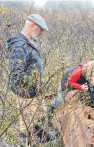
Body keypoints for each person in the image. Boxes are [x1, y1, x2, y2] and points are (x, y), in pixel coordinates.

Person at [6, 14, 52, 144]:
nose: (42, 33)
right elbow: (17, 74)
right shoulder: (19, 45)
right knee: (26, 124)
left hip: (33, 90)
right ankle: (25, 143)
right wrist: (34, 84)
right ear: (33, 25)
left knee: (40, 115)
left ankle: (42, 138)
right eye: (41, 30)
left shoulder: (29, 42)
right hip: (26, 92)